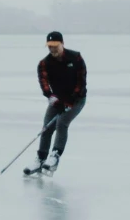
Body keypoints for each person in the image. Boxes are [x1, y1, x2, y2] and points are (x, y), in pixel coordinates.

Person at [25, 30, 87, 175]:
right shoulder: (44, 63)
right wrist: (53, 98)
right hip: (58, 99)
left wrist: (72, 99)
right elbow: (44, 84)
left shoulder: (75, 57)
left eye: (55, 46)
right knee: (46, 127)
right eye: (50, 46)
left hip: (77, 99)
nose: (53, 49)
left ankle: (55, 156)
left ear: (62, 44)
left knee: (62, 123)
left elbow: (81, 80)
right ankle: (40, 160)